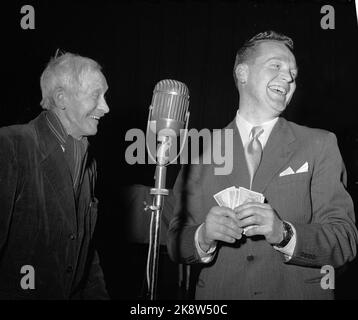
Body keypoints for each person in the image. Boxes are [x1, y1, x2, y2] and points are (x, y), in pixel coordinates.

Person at [167, 31, 358, 299]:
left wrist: (285, 233)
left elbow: (344, 238)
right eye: (276, 66)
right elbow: (174, 241)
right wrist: (203, 236)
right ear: (242, 74)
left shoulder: (320, 143)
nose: (289, 77)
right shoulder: (200, 149)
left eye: (293, 71)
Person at [0, 52, 110, 299]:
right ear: (62, 98)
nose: (105, 107)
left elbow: (86, 253)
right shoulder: (11, 146)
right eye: (96, 95)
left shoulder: (88, 163)